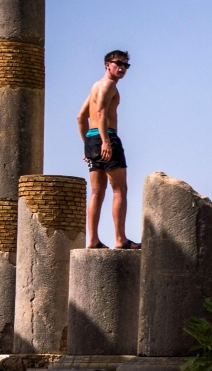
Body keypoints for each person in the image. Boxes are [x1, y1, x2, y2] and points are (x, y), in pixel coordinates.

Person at [77, 50, 140, 249]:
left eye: (125, 65)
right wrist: (105, 141)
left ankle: (93, 240)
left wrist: (87, 146)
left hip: (92, 139)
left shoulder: (95, 86)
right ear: (107, 65)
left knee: (97, 192)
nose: (121, 68)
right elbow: (101, 113)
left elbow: (81, 117)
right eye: (118, 63)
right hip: (107, 137)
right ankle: (121, 239)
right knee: (120, 190)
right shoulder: (109, 85)